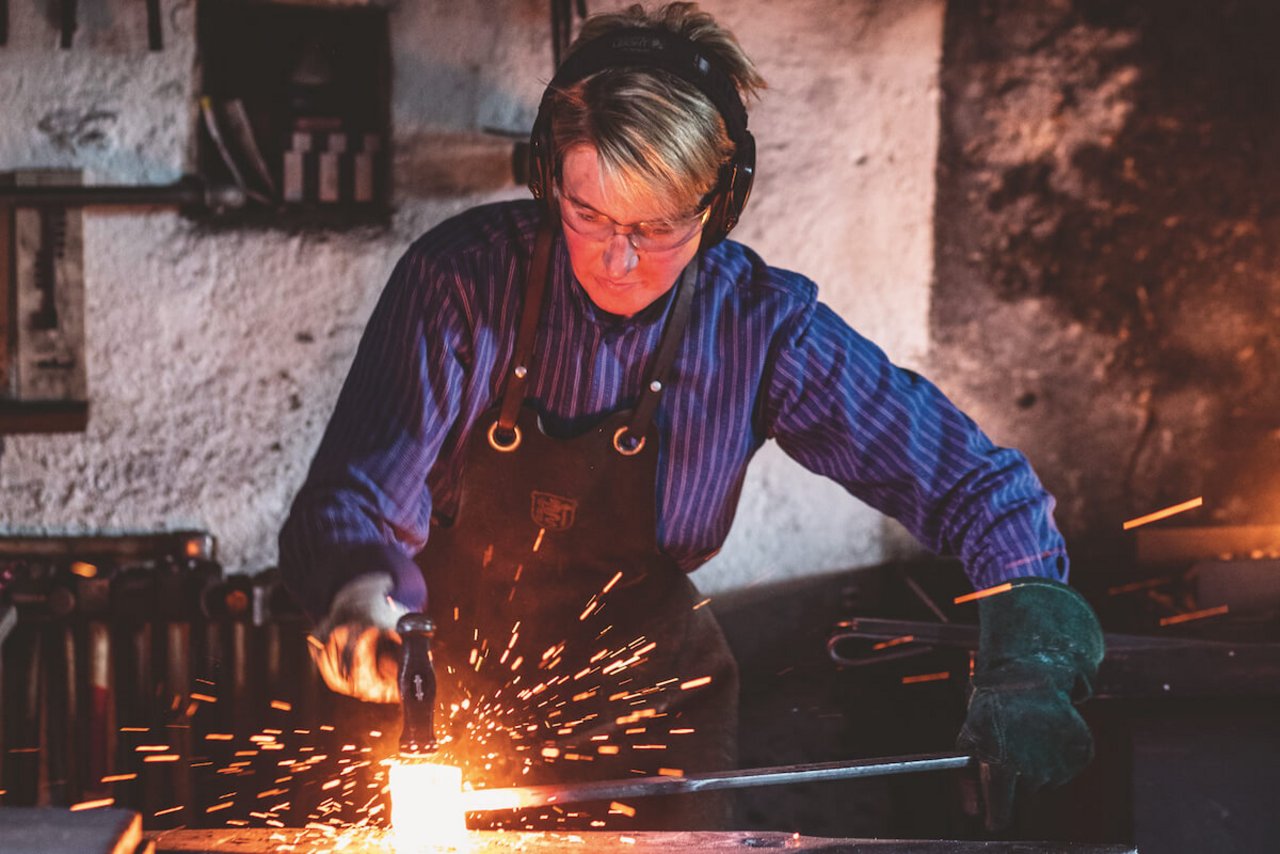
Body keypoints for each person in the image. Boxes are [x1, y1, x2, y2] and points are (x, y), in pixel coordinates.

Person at [279, 1, 1103, 832]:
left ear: (719, 204)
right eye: (587, 213)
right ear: (547, 177)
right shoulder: (459, 284)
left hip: (654, 709)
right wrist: (358, 593)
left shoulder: (759, 325)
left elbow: (973, 484)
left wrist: (1029, 640)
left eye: (657, 227)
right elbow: (355, 494)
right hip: (434, 700)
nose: (617, 259)